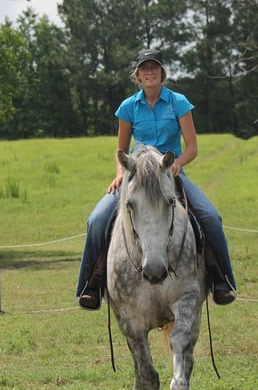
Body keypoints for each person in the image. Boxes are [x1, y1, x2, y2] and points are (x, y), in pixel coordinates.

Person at [76, 49, 237, 310]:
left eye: (154, 67)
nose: (150, 72)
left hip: (169, 171)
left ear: (162, 72)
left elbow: (192, 147)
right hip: (136, 174)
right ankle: (90, 285)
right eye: (144, 68)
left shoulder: (179, 102)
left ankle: (222, 281)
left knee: (210, 217)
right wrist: (120, 174)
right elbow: (121, 150)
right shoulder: (128, 106)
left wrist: (178, 164)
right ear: (138, 75)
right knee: (96, 220)